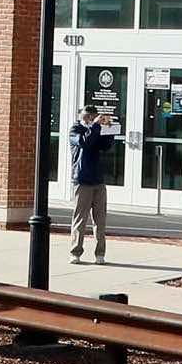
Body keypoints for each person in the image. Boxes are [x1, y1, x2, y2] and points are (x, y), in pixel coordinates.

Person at [67, 103, 115, 263]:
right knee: (80, 218)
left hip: (98, 180)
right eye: (86, 117)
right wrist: (94, 126)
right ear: (82, 117)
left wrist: (109, 130)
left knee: (100, 220)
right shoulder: (75, 130)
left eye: (91, 117)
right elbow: (85, 143)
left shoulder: (95, 129)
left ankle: (100, 254)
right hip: (82, 179)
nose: (88, 119)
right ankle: (75, 252)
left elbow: (105, 146)